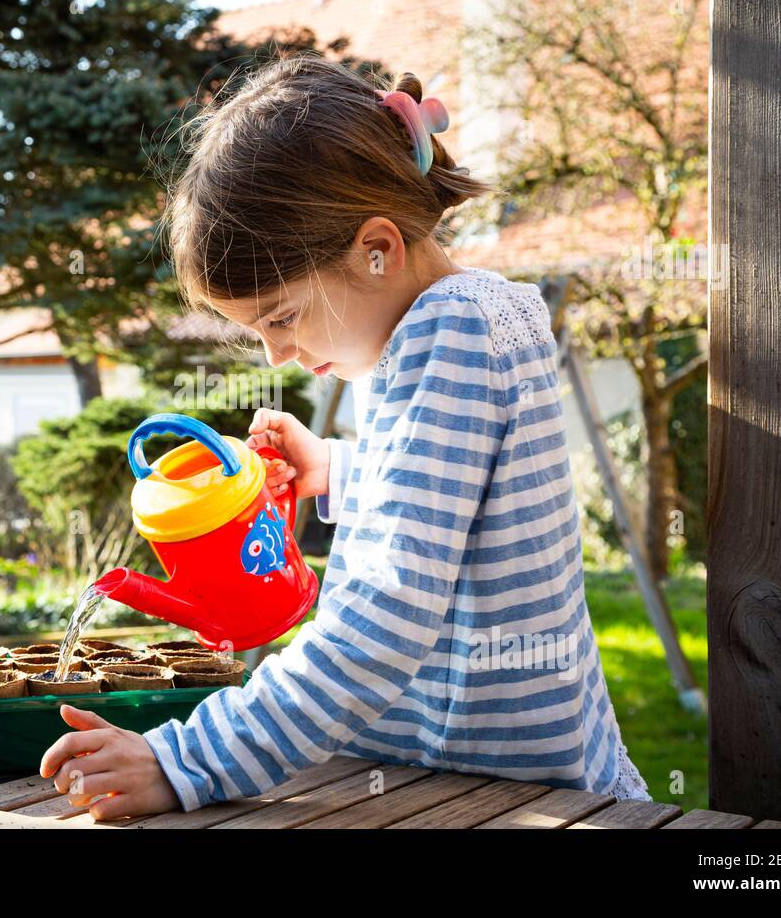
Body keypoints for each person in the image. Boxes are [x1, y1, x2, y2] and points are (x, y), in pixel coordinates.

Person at [40, 53, 651, 820]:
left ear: (377, 249)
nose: (278, 354)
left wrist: (188, 759)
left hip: (502, 796)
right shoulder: (466, 319)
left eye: (282, 316)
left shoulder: (449, 328)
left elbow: (385, 615)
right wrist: (337, 467)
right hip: (470, 778)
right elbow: (464, 498)